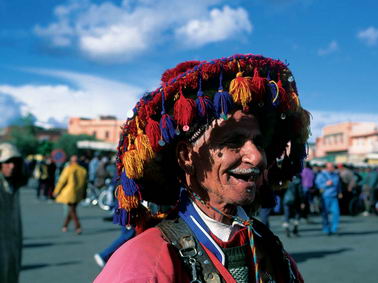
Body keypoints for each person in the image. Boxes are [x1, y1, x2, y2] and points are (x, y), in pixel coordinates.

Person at [94, 54, 310, 282]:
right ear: (187, 156)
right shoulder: (145, 262)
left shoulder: (270, 249)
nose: (256, 157)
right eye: (233, 141)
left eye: (258, 142)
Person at [0, 143, 27, 283]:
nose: (12, 166)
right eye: (7, 162)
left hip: (11, 247)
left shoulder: (12, 186)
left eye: (15, 162)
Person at [53, 155, 87, 234]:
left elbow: (62, 181)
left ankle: (78, 227)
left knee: (72, 210)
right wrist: (84, 194)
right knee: (72, 209)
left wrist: (56, 191)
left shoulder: (68, 169)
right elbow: (85, 184)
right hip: (78, 193)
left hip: (69, 193)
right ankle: (65, 226)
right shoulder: (83, 170)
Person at [316, 162, 342, 235]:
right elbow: (318, 185)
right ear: (326, 168)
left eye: (332, 167)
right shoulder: (321, 175)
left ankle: (334, 229)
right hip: (325, 197)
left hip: (334, 197)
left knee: (336, 212)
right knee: (325, 214)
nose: (332, 168)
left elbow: (338, 185)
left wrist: (339, 192)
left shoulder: (336, 175)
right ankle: (326, 228)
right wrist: (326, 184)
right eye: (330, 167)